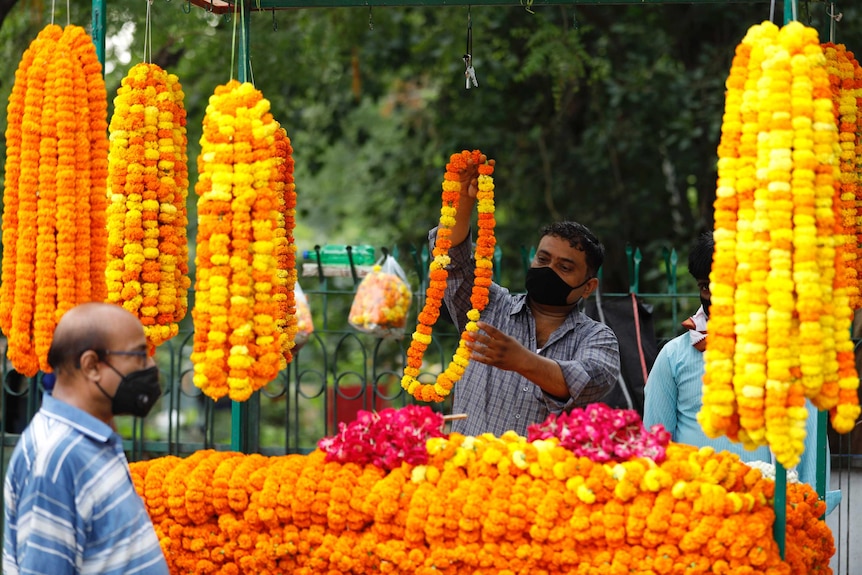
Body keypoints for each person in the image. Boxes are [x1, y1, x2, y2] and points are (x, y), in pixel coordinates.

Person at [644, 231, 839, 512]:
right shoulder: (674, 357)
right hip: (696, 511)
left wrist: (809, 511)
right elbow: (655, 444)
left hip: (773, 511)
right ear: (705, 289)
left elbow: (811, 441)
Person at [429, 157, 621, 437]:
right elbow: (452, 262)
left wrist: (520, 359)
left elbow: (584, 380)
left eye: (564, 267)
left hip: (549, 479)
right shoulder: (489, 306)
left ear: (588, 286)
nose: (549, 270)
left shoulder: (598, 338)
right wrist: (463, 199)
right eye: (543, 259)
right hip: (470, 474)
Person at [3, 302, 169, 575]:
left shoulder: (90, 439)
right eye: (139, 354)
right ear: (91, 365)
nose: (150, 365)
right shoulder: (56, 458)